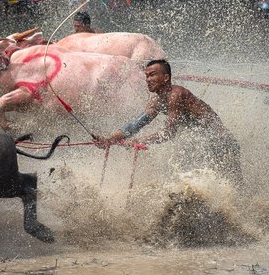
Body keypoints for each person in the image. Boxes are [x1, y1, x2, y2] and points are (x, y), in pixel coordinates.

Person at [94, 60, 242, 186]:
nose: (148, 80)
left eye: (152, 75)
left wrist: (137, 141)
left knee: (232, 188)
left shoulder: (176, 95)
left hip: (222, 143)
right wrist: (108, 139)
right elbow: (135, 125)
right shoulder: (156, 101)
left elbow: (169, 133)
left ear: (165, 78)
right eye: (146, 76)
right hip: (203, 143)